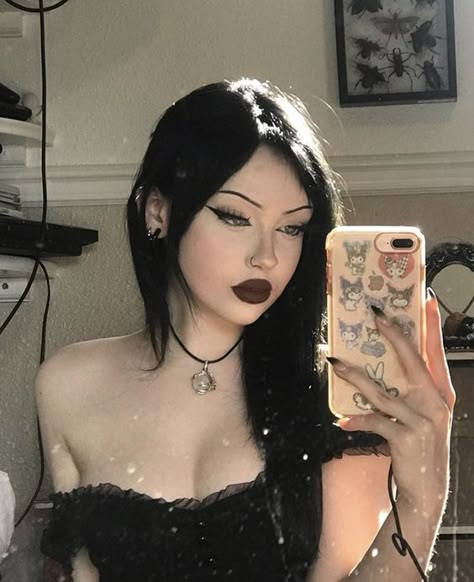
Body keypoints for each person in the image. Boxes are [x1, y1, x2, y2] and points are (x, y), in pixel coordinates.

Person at [35, 78, 455, 582]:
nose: (267, 256)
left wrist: (422, 498)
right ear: (158, 211)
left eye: (292, 227)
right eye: (235, 217)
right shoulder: (66, 385)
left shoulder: (338, 395)